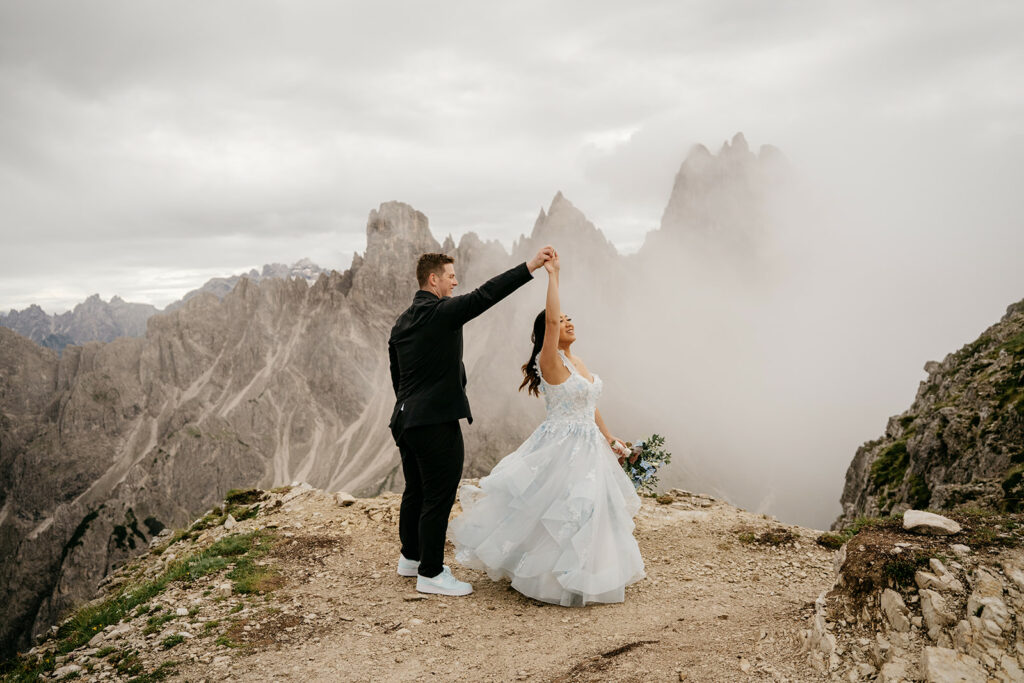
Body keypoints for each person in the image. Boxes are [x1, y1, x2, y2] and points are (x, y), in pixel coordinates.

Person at [449, 249, 646, 606]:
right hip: (562, 444)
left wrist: (610, 437)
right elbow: (552, 323)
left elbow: (589, 403)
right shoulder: (549, 360)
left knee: (591, 511)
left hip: (589, 443)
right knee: (560, 509)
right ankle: (550, 579)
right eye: (563, 320)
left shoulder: (578, 361)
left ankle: (587, 575)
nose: (569, 322)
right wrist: (553, 275)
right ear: (548, 333)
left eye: (572, 319)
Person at [389, 246, 555, 596]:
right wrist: (532, 266)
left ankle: (411, 558)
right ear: (433, 280)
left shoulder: (402, 321)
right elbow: (486, 295)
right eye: (450, 276)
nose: (455, 281)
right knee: (439, 495)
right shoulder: (441, 312)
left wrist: (411, 408)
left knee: (415, 491)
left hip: (406, 420)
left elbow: (397, 377)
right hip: (435, 421)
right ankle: (431, 573)